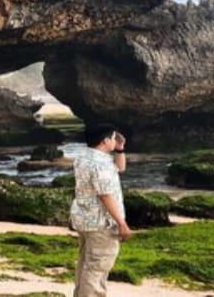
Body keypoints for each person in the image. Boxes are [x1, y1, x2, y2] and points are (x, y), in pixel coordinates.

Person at [69, 122, 130, 297]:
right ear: (105, 141)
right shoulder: (99, 164)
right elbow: (105, 195)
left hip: (84, 219)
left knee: (85, 265)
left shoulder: (84, 157)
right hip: (101, 223)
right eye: (113, 138)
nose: (114, 140)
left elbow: (120, 168)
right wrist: (122, 223)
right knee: (97, 268)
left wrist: (119, 149)